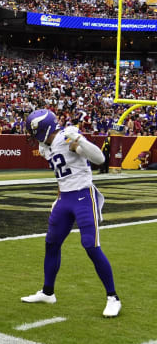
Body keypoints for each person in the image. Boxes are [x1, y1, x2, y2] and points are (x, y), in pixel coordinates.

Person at [21, 109, 121, 318]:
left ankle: (113, 298)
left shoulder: (67, 137)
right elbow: (62, 175)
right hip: (64, 199)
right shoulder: (45, 146)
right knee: (51, 243)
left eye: (34, 131)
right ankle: (48, 292)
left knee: (90, 245)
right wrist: (57, 198)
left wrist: (80, 141)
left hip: (83, 197)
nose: (32, 136)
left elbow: (100, 158)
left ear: (43, 129)